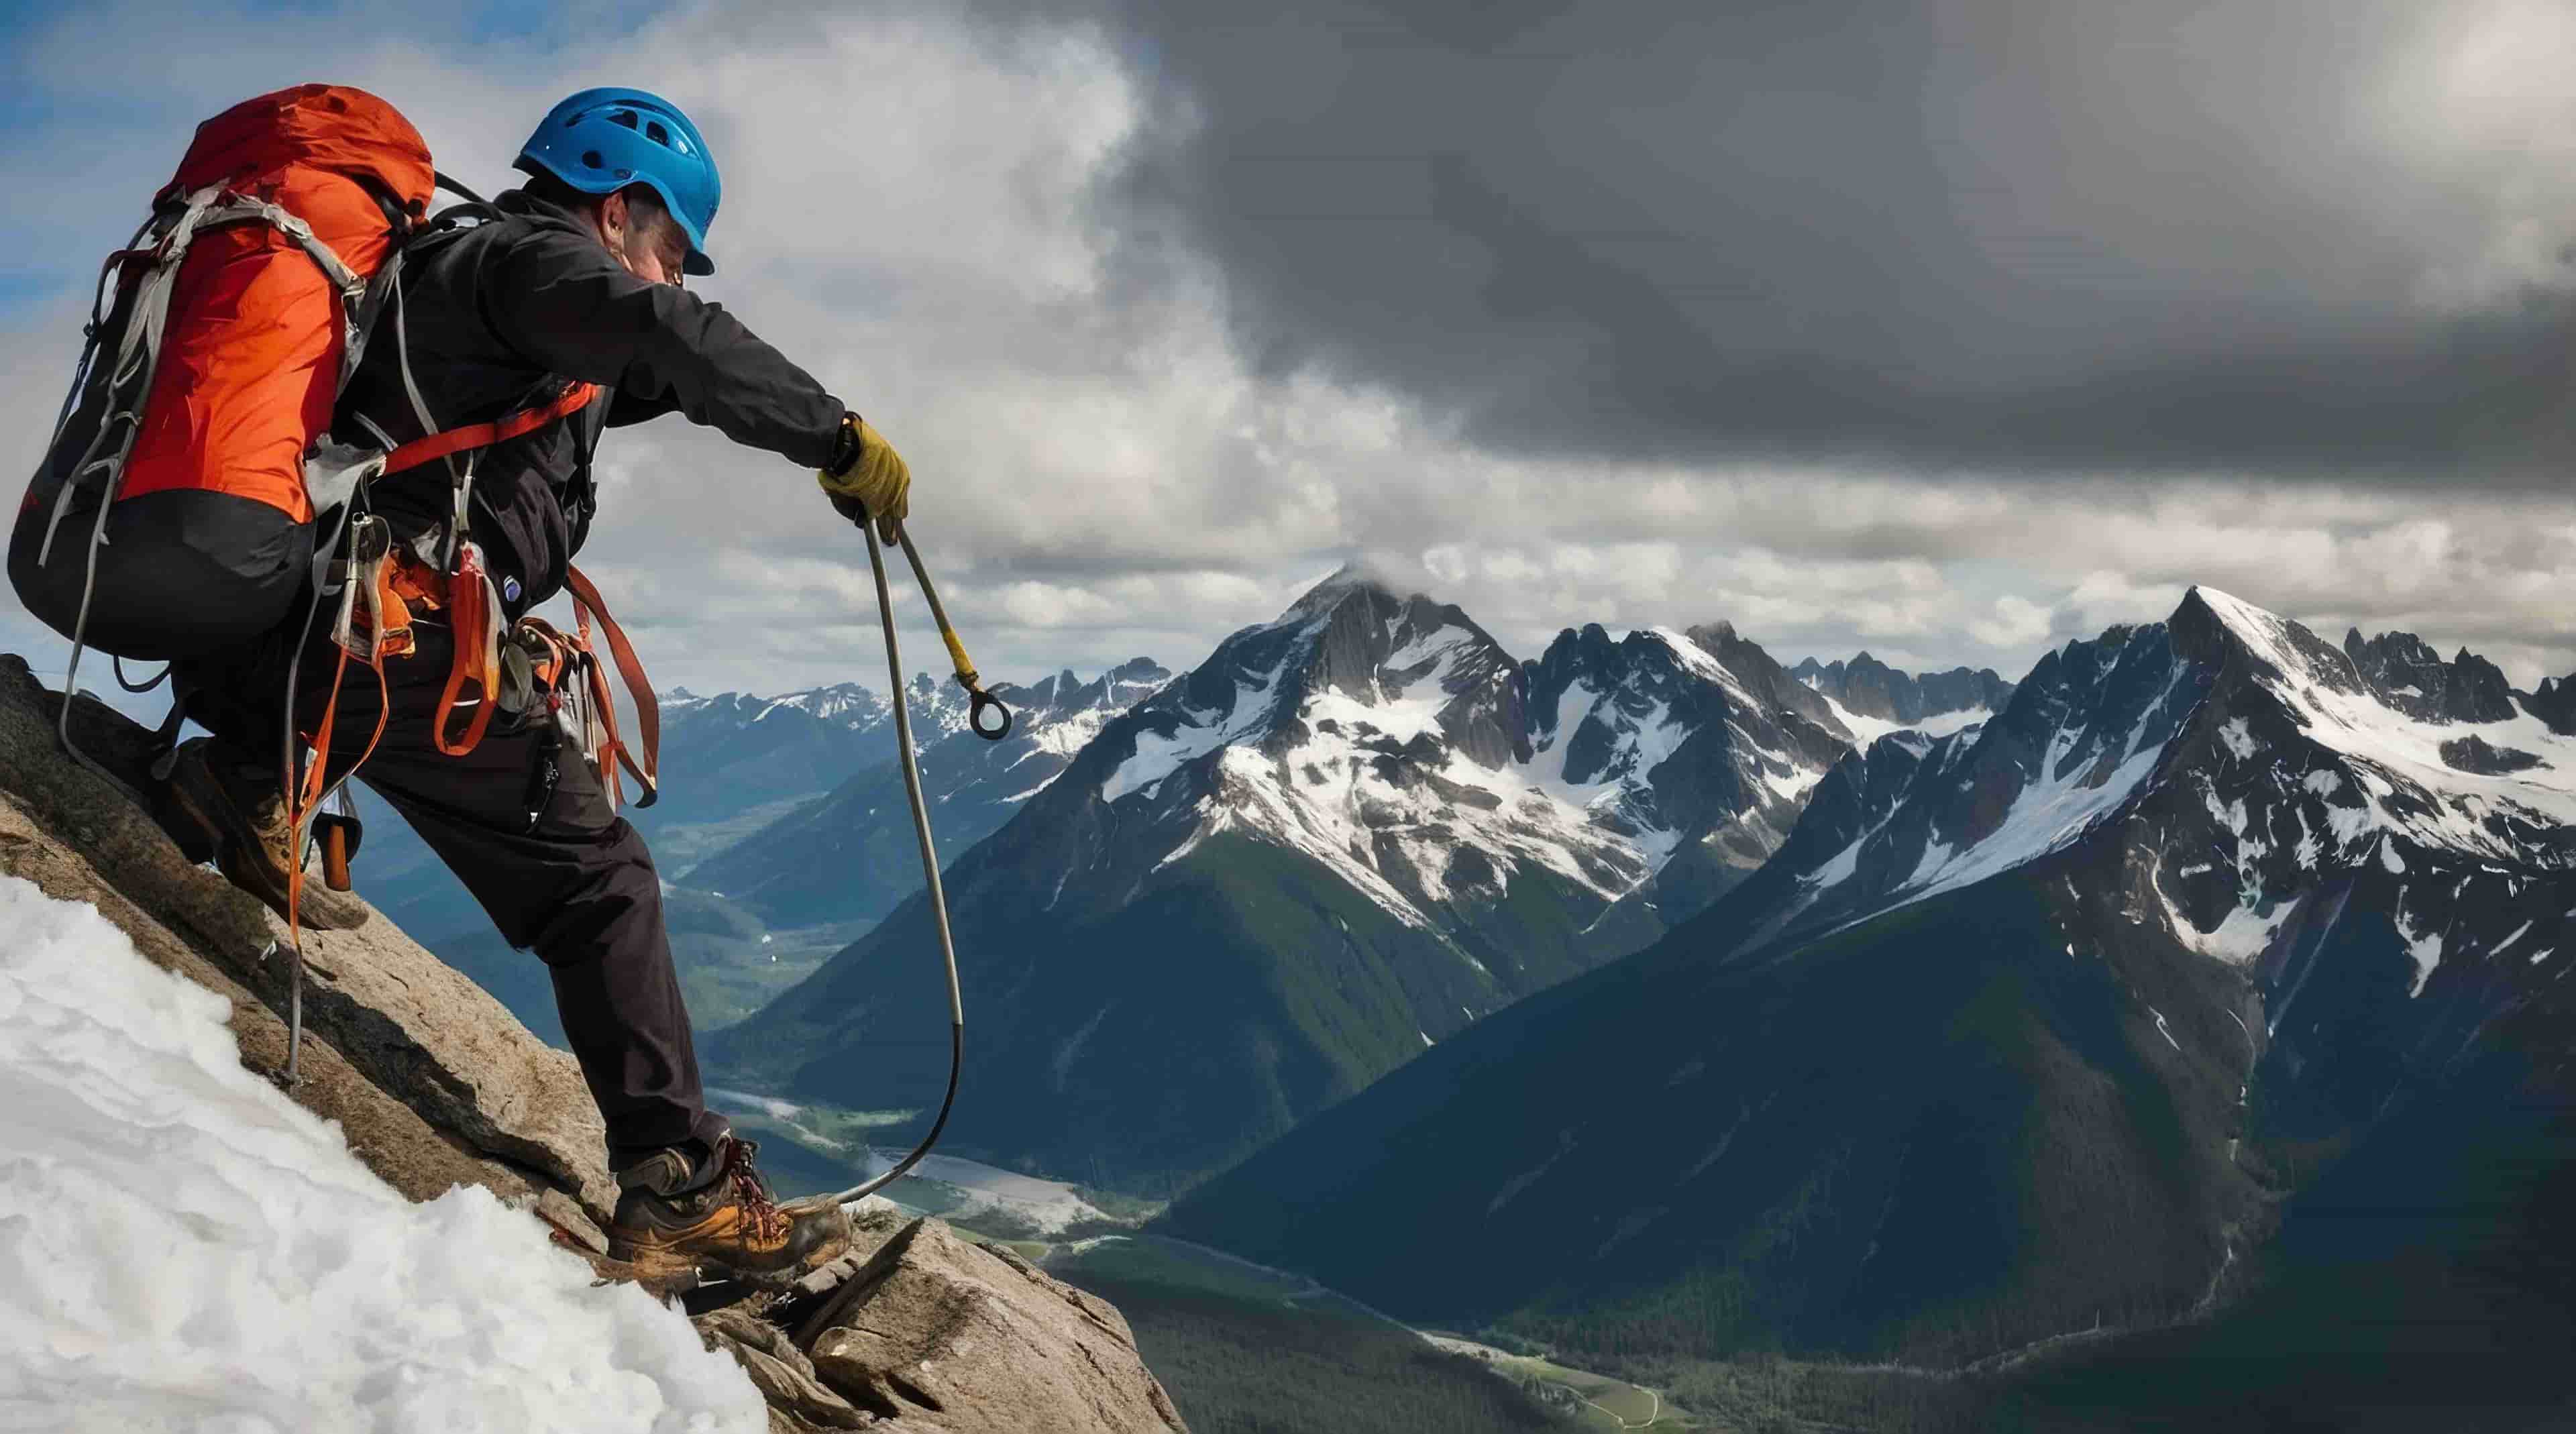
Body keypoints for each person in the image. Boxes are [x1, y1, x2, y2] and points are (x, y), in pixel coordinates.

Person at [159, 88, 908, 1282]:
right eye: (671, 252)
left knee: (468, 753)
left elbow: (654, 365)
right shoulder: (535, 269)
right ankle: (680, 1185)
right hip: (383, 635)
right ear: (619, 211)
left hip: (284, 620)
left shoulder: (469, 280)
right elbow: (677, 342)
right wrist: (837, 436)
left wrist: (747, 405)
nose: (676, 280)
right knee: (600, 883)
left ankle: (241, 778)